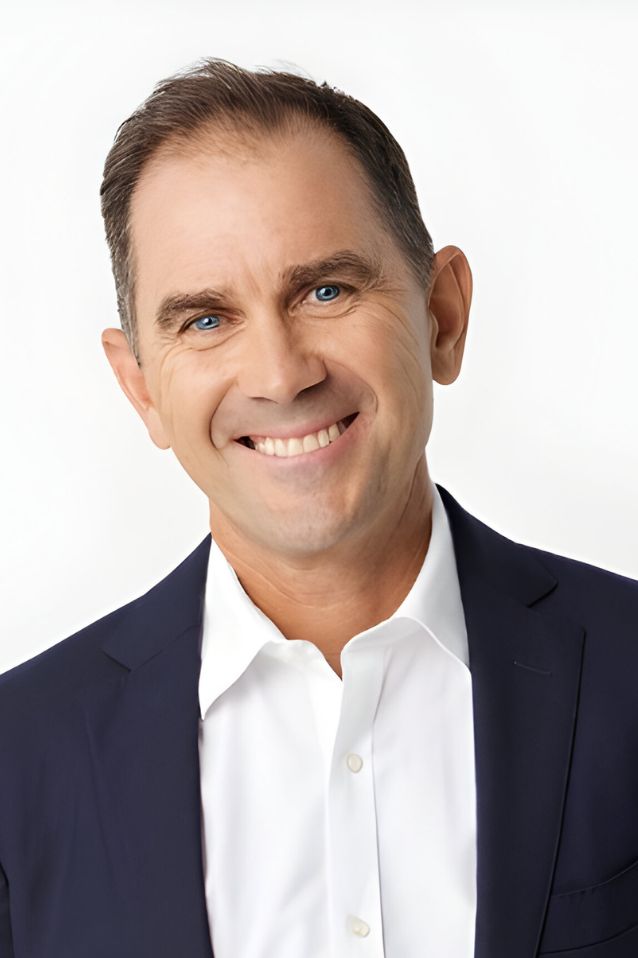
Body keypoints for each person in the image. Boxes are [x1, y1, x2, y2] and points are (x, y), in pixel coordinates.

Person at [0, 56, 637, 958]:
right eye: (206, 320)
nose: (280, 374)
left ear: (442, 316)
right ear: (141, 389)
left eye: (325, 291)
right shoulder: (19, 758)